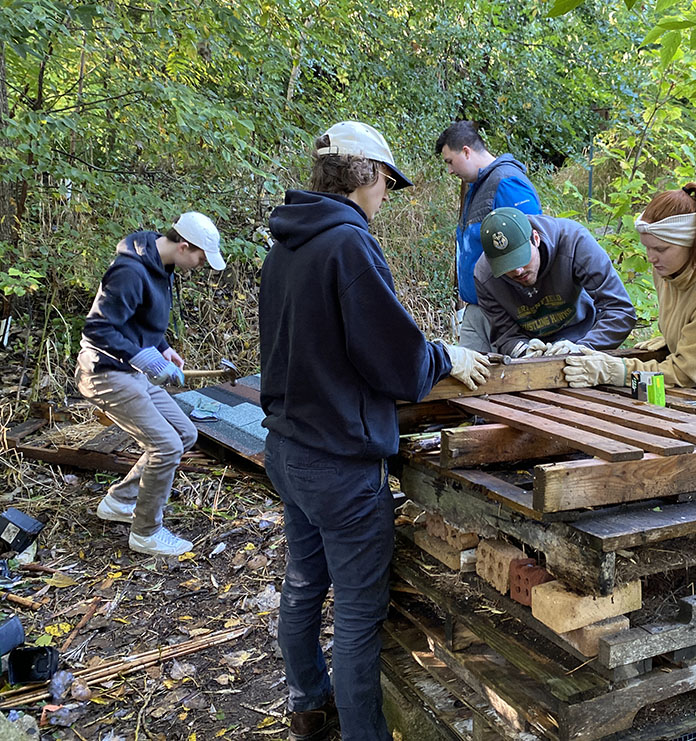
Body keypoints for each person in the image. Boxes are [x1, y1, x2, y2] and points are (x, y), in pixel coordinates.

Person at [258, 121, 489, 741]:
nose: (387, 194)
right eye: (387, 181)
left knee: (304, 584)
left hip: (288, 449)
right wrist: (444, 357)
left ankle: (308, 703)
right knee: (359, 617)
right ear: (367, 175)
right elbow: (394, 361)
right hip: (338, 463)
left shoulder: (286, 245)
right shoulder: (348, 244)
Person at [75, 212, 226, 557]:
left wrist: (162, 349)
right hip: (105, 373)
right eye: (200, 259)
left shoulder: (161, 267)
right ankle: (146, 533)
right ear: (184, 246)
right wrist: (143, 359)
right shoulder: (129, 271)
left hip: (131, 371)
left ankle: (120, 502)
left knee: (184, 434)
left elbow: (140, 322)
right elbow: (97, 330)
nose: (199, 266)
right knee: (167, 446)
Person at [564, 183, 696, 394]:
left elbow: (684, 375)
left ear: (691, 243)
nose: (651, 257)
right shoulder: (667, 269)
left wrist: (615, 371)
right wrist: (679, 340)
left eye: (661, 248)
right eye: (648, 247)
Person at [435, 120, 541, 352]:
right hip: (476, 309)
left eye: (450, 162)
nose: (450, 170)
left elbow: (532, 246)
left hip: (503, 311)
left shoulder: (506, 183)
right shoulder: (475, 186)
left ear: (466, 151)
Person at [475, 207, 636, 358]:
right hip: (534, 351)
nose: (518, 271)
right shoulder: (485, 276)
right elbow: (505, 335)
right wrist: (525, 351)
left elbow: (620, 310)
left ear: (535, 238)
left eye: (522, 259)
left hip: (584, 336)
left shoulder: (575, 242)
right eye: (507, 266)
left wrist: (584, 349)